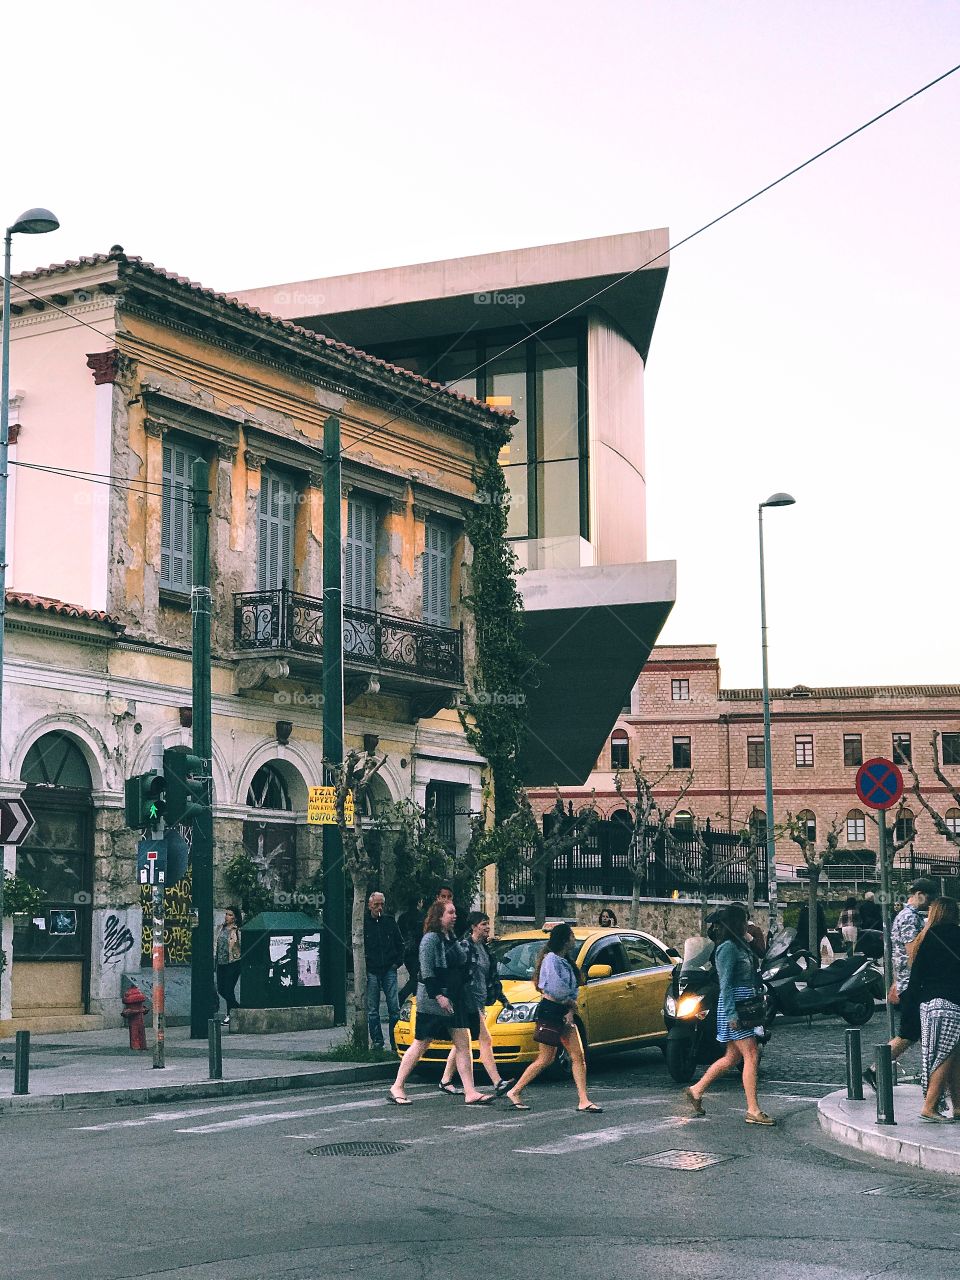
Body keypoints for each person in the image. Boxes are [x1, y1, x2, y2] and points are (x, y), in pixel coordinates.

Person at [389, 898, 492, 1105]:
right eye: (450, 913)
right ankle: (397, 1086)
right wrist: (439, 996)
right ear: (439, 916)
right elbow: (427, 972)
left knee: (463, 1044)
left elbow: (461, 961)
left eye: (454, 913)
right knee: (421, 1044)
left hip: (453, 999)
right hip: (433, 1001)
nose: (455, 916)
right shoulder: (430, 940)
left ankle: (470, 1092)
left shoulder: (449, 937)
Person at [684, 902, 774, 1126]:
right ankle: (753, 1109)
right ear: (736, 922)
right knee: (751, 1054)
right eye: (744, 920)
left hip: (744, 1006)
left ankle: (696, 1090)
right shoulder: (727, 949)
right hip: (736, 1009)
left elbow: (758, 957)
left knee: (732, 1057)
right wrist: (732, 1015)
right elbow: (725, 985)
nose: (748, 924)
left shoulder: (739, 945)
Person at [505, 923, 602, 1114]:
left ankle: (583, 1099)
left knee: (578, 1056)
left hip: (563, 1011)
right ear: (565, 939)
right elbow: (555, 988)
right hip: (551, 1011)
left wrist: (570, 1008)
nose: (574, 939)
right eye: (572, 936)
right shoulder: (551, 960)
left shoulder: (565, 960)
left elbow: (573, 987)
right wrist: (570, 1002)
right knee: (546, 1058)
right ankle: (515, 1091)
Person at [863, 878, 937, 1094]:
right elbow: (911, 951)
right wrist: (930, 926)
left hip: (908, 982)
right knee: (909, 1033)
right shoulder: (908, 918)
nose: (931, 904)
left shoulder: (909, 917)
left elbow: (898, 955)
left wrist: (897, 981)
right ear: (921, 894)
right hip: (914, 984)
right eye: (930, 899)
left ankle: (876, 1069)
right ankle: (875, 1069)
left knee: (913, 1033)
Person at [439, 912, 514, 1098]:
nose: (487, 927)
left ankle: (445, 1080)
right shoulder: (465, 947)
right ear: (473, 927)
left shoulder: (486, 949)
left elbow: (490, 979)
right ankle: (497, 1082)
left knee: (460, 1043)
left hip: (479, 1002)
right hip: (468, 1003)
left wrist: (503, 999)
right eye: (483, 924)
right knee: (485, 1040)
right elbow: (458, 975)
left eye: (488, 924)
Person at [901, 896, 960, 1121]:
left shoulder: (925, 938)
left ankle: (958, 1105)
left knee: (951, 1054)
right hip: (952, 1002)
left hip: (929, 1004)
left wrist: (910, 1010)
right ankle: (929, 1106)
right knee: (946, 1054)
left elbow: (916, 977)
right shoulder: (958, 935)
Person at [364, 891, 403, 1050]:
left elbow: (400, 944)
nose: (379, 908)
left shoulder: (389, 922)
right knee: (373, 1009)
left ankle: (395, 1042)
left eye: (381, 905)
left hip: (389, 968)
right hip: (372, 969)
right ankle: (377, 1041)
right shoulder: (364, 923)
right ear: (369, 905)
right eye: (376, 905)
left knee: (394, 1007)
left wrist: (396, 963)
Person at [215, 907, 242, 1026]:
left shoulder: (237, 930)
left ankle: (230, 1014)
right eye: (226, 914)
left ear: (235, 917)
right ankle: (238, 1009)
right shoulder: (220, 928)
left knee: (229, 989)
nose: (227, 917)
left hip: (233, 962)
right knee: (221, 989)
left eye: (230, 915)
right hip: (221, 962)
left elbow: (242, 945)